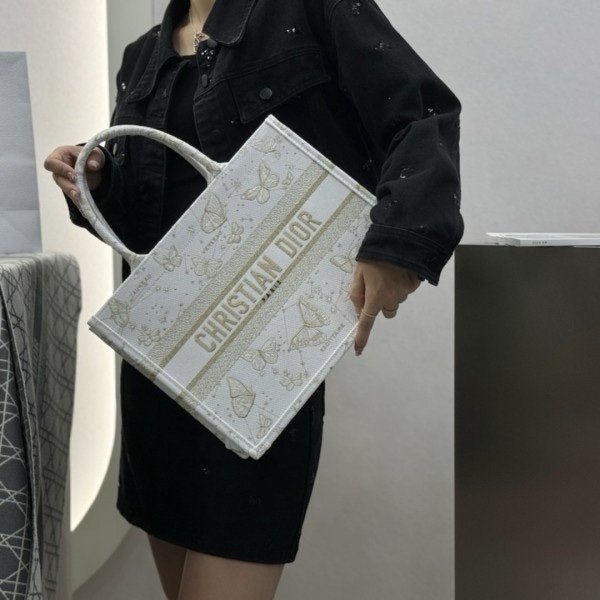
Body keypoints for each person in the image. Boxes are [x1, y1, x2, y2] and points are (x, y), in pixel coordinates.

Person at [44, 0, 463, 598]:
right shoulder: (142, 57)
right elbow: (149, 229)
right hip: (159, 366)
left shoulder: (310, 11)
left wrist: (397, 247)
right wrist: (99, 181)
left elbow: (422, 115)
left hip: (258, 366)